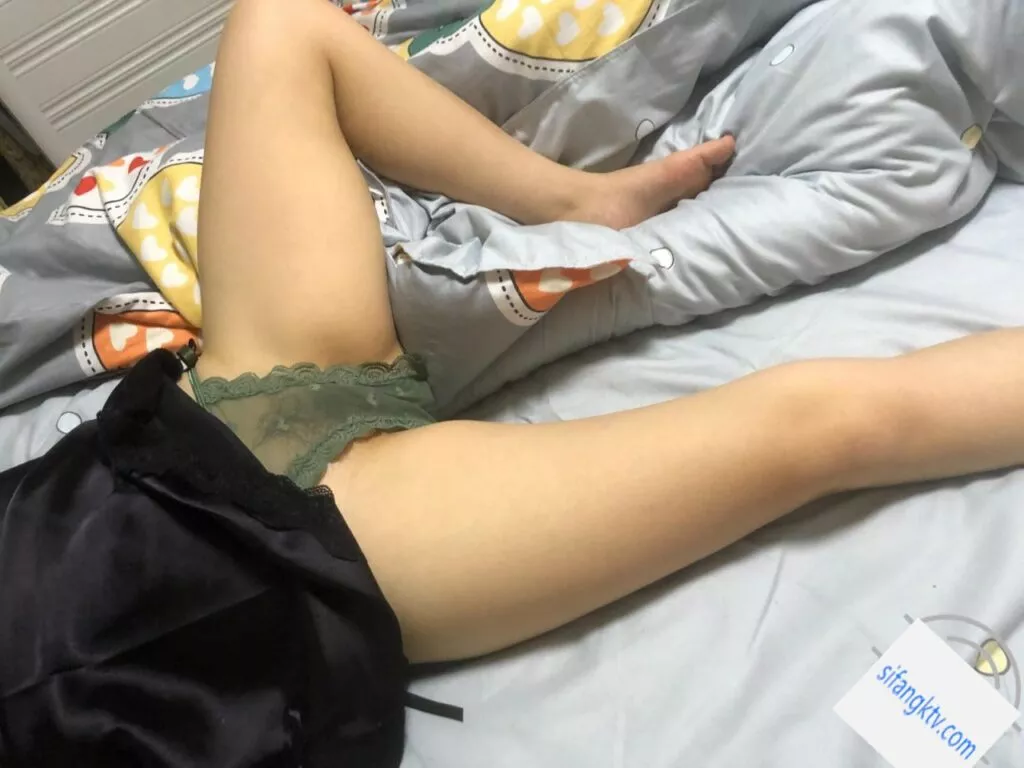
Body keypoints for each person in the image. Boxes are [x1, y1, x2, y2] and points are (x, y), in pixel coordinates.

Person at [185, 0, 1024, 666]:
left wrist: (573, 200)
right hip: (289, 549)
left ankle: (579, 200)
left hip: (201, 421)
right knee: (822, 424)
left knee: (277, 21)